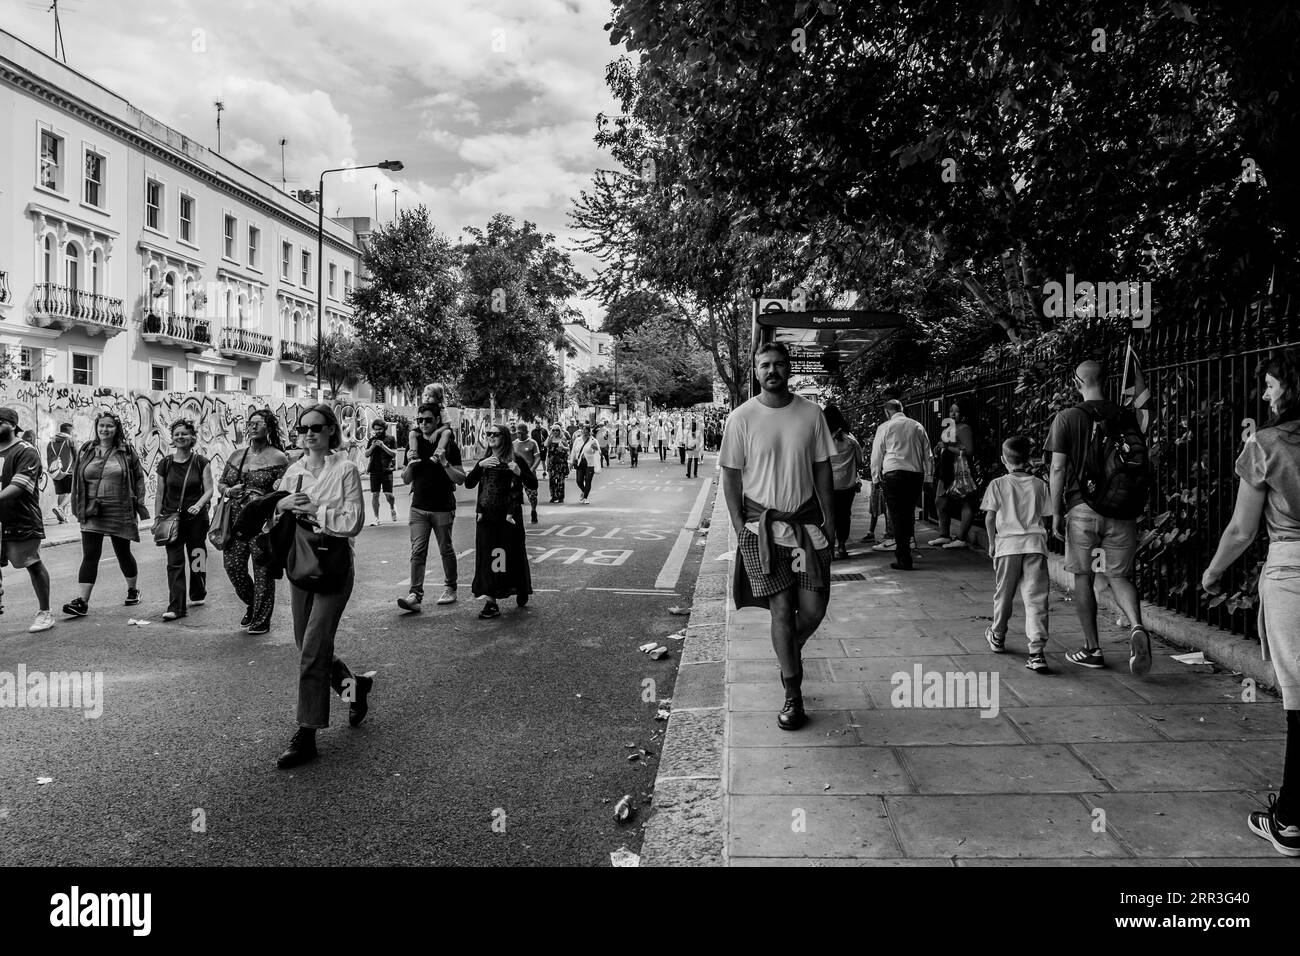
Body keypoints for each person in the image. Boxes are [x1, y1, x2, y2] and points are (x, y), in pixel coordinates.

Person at [1204, 349, 1300, 856]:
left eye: (1270, 385)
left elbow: (1242, 529)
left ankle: (1290, 820)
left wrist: (1214, 571)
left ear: (1290, 389)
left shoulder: (1264, 444)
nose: (1264, 395)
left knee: (1298, 697)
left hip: (1292, 572)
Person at [720, 341, 836, 732]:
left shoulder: (811, 413)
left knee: (814, 609)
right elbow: (730, 475)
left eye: (779, 364)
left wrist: (830, 521)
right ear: (756, 371)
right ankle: (793, 694)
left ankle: (788, 653)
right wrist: (739, 525)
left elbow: (822, 469)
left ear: (789, 368)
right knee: (782, 611)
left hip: (806, 530)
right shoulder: (741, 418)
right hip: (761, 531)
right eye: (765, 365)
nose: (772, 370)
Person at [272, 404, 373, 769]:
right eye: (303, 428)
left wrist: (316, 510)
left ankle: (307, 733)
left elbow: (353, 521)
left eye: (316, 427)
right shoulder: (293, 471)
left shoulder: (345, 469)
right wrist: (281, 505)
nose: (309, 434)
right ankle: (354, 689)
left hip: (333, 567)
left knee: (313, 649)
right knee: (307, 646)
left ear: (331, 429)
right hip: (301, 564)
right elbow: (276, 520)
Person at [1045, 359, 1151, 675]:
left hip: (1083, 509)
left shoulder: (1067, 418)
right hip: (1121, 507)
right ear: (1105, 379)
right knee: (1119, 576)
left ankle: (1092, 649)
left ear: (1076, 382)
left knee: (1084, 577)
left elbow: (1058, 468)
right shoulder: (1126, 415)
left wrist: (1056, 511)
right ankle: (1136, 626)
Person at [62, 412, 150, 617]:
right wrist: (76, 505)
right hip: (91, 510)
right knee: (90, 555)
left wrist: (139, 505)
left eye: (109, 426)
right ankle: (82, 602)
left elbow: (138, 479)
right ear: (97, 427)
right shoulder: (87, 449)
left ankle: (133, 590)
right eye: (101, 425)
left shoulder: (126, 451)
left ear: (116, 428)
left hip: (120, 509)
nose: (105, 429)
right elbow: (77, 478)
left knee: (123, 552)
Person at [981, 435, 1053, 673]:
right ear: (1029, 459)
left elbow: (990, 518)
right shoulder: (1040, 485)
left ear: (1004, 460)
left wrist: (992, 543)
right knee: (1036, 598)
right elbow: (1045, 518)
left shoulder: (997, 484)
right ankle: (1037, 652)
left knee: (1004, 594)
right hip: (1035, 546)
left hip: (1007, 547)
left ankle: (998, 635)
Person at [218, 409, 289, 635]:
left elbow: (283, 490)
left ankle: (261, 620)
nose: (254, 426)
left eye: (260, 423)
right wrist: (229, 490)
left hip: (262, 524)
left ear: (269, 428)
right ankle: (253, 603)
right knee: (233, 567)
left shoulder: (279, 457)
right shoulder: (237, 455)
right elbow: (221, 483)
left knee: (263, 573)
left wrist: (275, 488)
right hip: (236, 522)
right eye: (251, 423)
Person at [397, 400, 465, 613]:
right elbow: (406, 479)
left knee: (446, 549)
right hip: (418, 507)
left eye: (428, 420)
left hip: (443, 507)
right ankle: (414, 595)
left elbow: (461, 478)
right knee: (417, 551)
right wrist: (410, 465)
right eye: (420, 420)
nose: (423, 424)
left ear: (437, 420)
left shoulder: (449, 445)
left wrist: (445, 462)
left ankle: (451, 588)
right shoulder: (414, 444)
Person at [466, 424, 538, 619]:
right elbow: (469, 483)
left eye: (495, 434)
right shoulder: (485, 461)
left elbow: (532, 484)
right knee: (489, 558)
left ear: (504, 437)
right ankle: (491, 601)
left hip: (509, 517)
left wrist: (519, 472)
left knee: (511, 555)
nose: (491, 436)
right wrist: (479, 466)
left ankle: (520, 587)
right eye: (488, 434)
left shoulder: (516, 459)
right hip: (487, 517)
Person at [155, 418, 214, 622]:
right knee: (174, 562)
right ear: (172, 438)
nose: (180, 437)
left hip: (196, 519)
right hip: (172, 519)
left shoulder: (201, 462)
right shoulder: (165, 463)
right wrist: (157, 518)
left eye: (184, 434)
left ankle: (198, 591)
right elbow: (160, 493)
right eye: (177, 434)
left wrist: (199, 504)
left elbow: (209, 490)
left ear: (192, 437)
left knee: (197, 554)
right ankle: (176, 606)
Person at [0, 408, 54, 632]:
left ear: (13, 425)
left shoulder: (25, 450)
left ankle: (45, 612)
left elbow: (20, 485)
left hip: (20, 519)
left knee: (32, 563)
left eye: (1, 421)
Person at [870, 399, 932, 570]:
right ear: (902, 409)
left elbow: (876, 455)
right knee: (908, 512)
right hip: (914, 475)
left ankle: (903, 556)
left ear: (887, 412)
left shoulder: (885, 427)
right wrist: (929, 477)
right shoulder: (917, 426)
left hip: (893, 474)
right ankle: (906, 551)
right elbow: (928, 455)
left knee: (896, 515)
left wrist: (875, 478)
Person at [929, 400, 980, 550]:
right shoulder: (951, 428)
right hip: (946, 470)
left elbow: (969, 451)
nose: (952, 414)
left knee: (966, 502)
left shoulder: (964, 428)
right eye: (951, 411)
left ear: (963, 414)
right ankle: (944, 534)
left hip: (960, 470)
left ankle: (961, 538)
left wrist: (947, 447)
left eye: (956, 411)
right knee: (940, 501)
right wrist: (940, 448)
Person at [824, 405, 863, 561]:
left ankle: (829, 547)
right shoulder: (850, 439)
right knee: (844, 514)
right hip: (847, 485)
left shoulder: (822, 440)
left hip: (826, 485)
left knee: (828, 514)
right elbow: (860, 461)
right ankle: (841, 545)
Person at [363, 419, 399, 526]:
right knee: (375, 494)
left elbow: (394, 454)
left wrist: (383, 446)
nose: (377, 431)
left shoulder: (391, 439)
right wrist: (373, 446)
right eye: (376, 429)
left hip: (386, 470)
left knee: (389, 495)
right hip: (374, 470)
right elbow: (366, 454)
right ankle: (376, 518)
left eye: (380, 429)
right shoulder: (372, 440)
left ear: (384, 428)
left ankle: (392, 508)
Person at [46, 422, 77, 524]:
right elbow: (76, 455)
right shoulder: (70, 440)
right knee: (74, 491)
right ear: (69, 430)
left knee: (62, 493)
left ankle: (62, 517)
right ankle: (60, 508)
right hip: (68, 471)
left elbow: (49, 457)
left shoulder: (51, 441)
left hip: (55, 471)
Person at [513, 422, 542, 524]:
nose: (519, 435)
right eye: (518, 433)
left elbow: (537, 458)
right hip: (516, 473)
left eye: (522, 433)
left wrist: (532, 469)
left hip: (528, 473)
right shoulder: (514, 444)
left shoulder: (532, 443)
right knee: (515, 495)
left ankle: (533, 511)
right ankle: (514, 515)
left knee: (532, 495)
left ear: (526, 432)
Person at [570, 424, 600, 504]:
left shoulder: (593, 440)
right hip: (580, 462)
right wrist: (571, 462)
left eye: (586, 430)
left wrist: (595, 449)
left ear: (589, 431)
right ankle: (584, 491)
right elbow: (573, 451)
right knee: (579, 480)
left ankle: (585, 497)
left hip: (590, 463)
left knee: (588, 480)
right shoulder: (578, 440)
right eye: (583, 429)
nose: (584, 431)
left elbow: (598, 452)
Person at [545, 425, 569, 503]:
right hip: (552, 463)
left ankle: (560, 497)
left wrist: (563, 447)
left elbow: (568, 449)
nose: (555, 431)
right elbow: (546, 445)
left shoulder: (563, 438)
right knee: (551, 480)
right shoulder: (550, 438)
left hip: (560, 463)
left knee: (560, 481)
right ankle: (553, 496)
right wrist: (549, 436)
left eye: (557, 430)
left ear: (559, 431)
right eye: (553, 430)